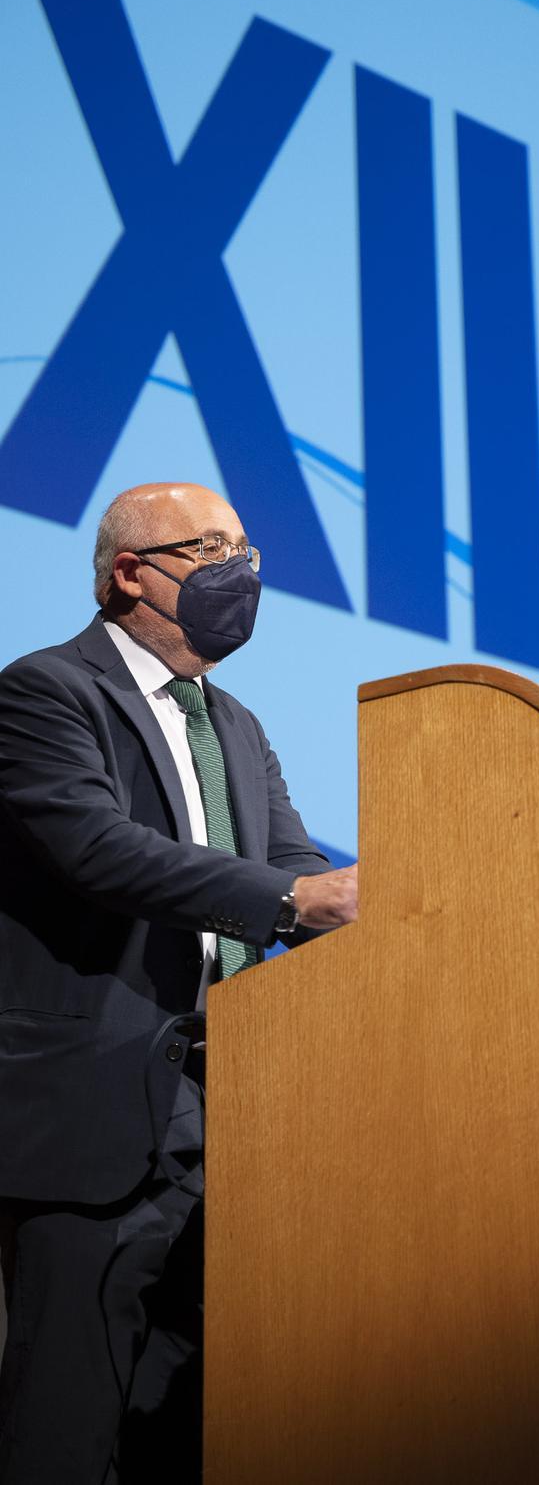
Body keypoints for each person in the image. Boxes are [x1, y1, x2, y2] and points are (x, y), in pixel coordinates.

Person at [0, 481, 358, 1483]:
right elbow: (103, 852)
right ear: (128, 574)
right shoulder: (45, 691)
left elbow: (292, 865)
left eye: (245, 547)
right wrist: (303, 899)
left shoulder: (235, 724)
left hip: (228, 1117)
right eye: (208, 549)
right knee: (66, 1428)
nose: (238, 570)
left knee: (185, 1430)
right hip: (94, 1111)